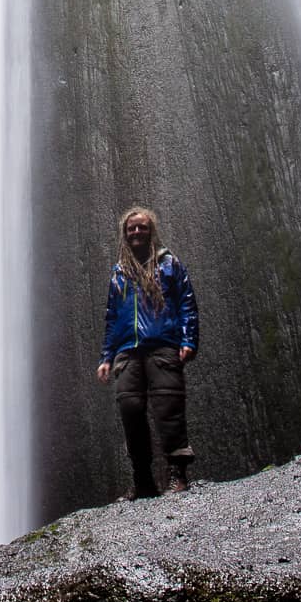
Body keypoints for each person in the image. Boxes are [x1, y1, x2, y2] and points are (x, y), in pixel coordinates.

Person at [96, 205, 199, 497]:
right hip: (127, 350)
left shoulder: (169, 265)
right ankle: (142, 480)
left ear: (151, 230)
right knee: (131, 410)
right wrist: (106, 357)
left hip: (163, 344)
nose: (137, 232)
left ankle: (178, 474)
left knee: (168, 408)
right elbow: (112, 317)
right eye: (131, 229)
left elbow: (187, 302)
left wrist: (188, 339)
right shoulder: (119, 273)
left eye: (142, 227)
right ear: (125, 235)